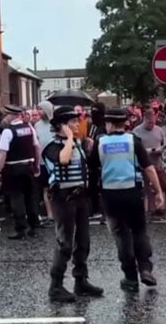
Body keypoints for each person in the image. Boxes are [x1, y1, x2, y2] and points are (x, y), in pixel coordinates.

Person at [87, 107, 164, 292]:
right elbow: (149, 168)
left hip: (110, 195)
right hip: (133, 192)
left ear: (111, 124)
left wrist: (90, 197)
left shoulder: (100, 142)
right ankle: (145, 269)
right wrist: (159, 191)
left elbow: (91, 169)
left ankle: (130, 277)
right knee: (139, 231)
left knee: (121, 235)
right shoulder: (133, 140)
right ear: (124, 123)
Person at [42, 106, 103, 302]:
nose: (78, 124)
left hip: (80, 198)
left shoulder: (78, 144)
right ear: (62, 126)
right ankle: (56, 286)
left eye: (78, 121)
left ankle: (81, 280)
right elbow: (64, 160)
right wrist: (69, 139)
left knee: (83, 242)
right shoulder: (52, 146)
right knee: (64, 243)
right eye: (73, 122)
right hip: (63, 198)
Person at [0, 104, 42, 240]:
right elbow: (37, 147)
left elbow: (2, 154)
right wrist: (37, 164)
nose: (5, 118)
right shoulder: (29, 128)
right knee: (31, 198)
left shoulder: (8, 131)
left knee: (16, 199)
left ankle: (20, 228)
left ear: (12, 116)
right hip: (29, 166)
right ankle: (34, 227)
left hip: (13, 168)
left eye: (7, 115)